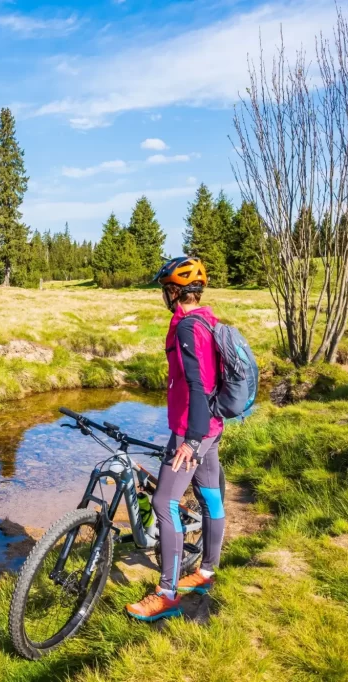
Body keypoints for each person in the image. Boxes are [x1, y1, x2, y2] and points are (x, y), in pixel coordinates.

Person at [126, 256, 226, 622]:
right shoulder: (209, 320)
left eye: (165, 290)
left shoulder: (186, 328)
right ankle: (206, 572)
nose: (164, 296)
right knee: (211, 496)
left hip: (193, 430)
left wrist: (190, 440)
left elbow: (198, 385)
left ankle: (166, 594)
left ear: (175, 291)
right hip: (214, 426)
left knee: (164, 502)